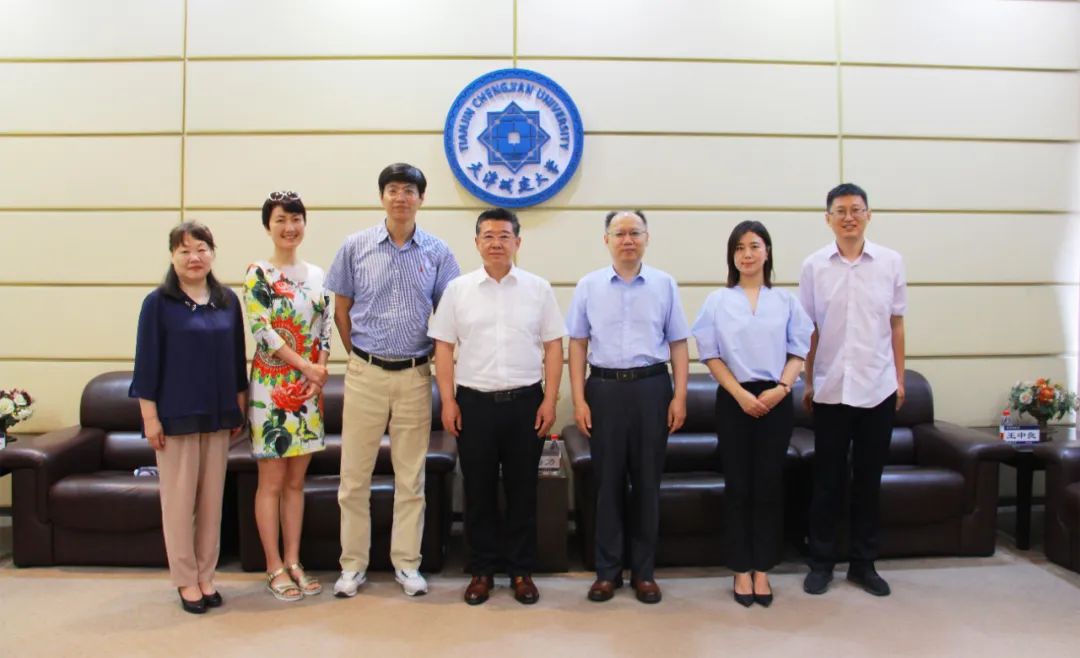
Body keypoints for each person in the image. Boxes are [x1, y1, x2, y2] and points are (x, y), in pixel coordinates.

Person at [325, 163, 460, 598]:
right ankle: (352, 566)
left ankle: (407, 564)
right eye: (393, 190)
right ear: (381, 196)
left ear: (422, 198)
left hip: (416, 376)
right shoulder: (355, 246)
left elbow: (450, 315)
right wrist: (359, 356)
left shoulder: (438, 251)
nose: (401, 197)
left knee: (410, 478)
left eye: (409, 190)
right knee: (353, 477)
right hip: (365, 373)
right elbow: (340, 309)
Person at [429, 208, 565, 606]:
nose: (496, 243)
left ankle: (521, 571)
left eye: (504, 236)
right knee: (478, 491)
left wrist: (550, 400)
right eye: (488, 236)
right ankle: (482, 571)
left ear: (518, 242)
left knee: (523, 491)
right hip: (474, 404)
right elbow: (443, 347)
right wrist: (448, 400)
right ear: (476, 243)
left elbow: (554, 346)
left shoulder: (538, 289)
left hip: (526, 403)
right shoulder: (458, 290)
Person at [566, 210, 690, 604]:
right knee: (607, 485)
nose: (627, 240)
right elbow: (577, 344)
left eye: (635, 232)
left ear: (646, 238)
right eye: (619, 233)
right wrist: (579, 400)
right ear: (606, 240)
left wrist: (680, 396)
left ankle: (644, 572)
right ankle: (607, 573)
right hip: (604, 390)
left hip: (652, 388)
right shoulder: (588, 285)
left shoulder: (665, 284)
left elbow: (679, 344)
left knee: (647, 484)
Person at [692, 220, 813, 607]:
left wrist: (782, 389)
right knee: (739, 486)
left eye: (754, 246)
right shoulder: (717, 301)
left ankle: (763, 568)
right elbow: (711, 354)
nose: (747, 254)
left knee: (768, 486)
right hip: (734, 399)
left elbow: (798, 350)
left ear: (767, 252)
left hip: (777, 399)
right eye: (739, 248)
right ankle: (740, 569)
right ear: (732, 256)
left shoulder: (786, 301)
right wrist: (740, 395)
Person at [129, 221, 248, 614]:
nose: (194, 257)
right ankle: (185, 579)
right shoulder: (158, 303)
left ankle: (206, 575)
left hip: (219, 414)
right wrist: (150, 418)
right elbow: (146, 365)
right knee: (179, 505)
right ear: (172, 256)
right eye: (185, 250)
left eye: (201, 249)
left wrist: (239, 405)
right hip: (175, 416)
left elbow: (236, 360)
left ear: (212, 253)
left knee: (212, 503)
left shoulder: (227, 301)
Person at [799, 182, 907, 598]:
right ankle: (821, 563)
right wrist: (809, 380)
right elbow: (808, 330)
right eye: (840, 211)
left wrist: (899, 378)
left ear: (868, 215)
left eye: (856, 209)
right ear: (828, 218)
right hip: (830, 390)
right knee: (827, 482)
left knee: (868, 481)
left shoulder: (891, 262)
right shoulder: (814, 266)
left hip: (877, 387)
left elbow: (896, 324)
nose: (849, 217)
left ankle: (864, 564)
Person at [243, 191, 331, 602]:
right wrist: (306, 367)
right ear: (268, 226)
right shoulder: (258, 273)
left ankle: (294, 560)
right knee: (272, 481)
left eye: (296, 219)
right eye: (280, 219)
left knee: (297, 482)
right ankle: (273, 564)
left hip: (308, 389)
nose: (289, 227)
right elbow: (263, 331)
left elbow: (325, 328)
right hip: (271, 387)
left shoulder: (318, 275)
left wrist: (319, 372)